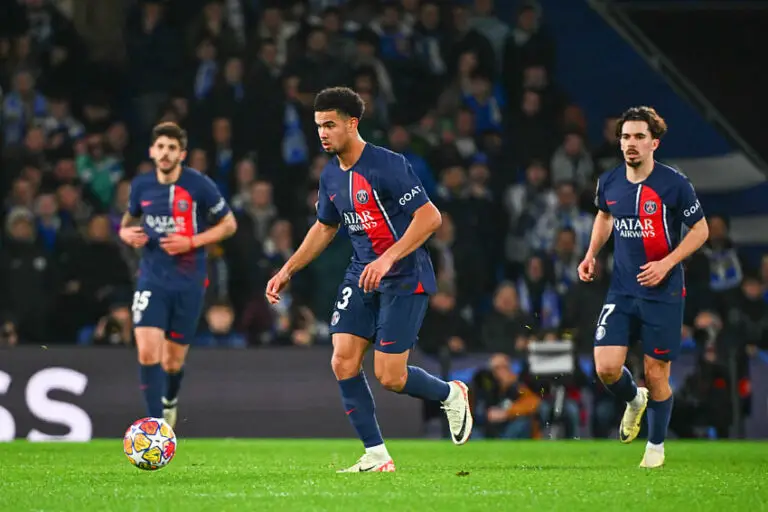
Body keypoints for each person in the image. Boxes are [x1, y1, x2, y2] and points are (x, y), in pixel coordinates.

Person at [266, 87, 472, 473]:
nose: (322, 133)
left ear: (352, 123)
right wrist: (287, 269)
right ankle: (376, 455)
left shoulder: (387, 164)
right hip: (362, 274)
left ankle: (450, 393)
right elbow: (325, 227)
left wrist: (388, 257)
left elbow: (430, 217)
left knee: (390, 376)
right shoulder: (330, 175)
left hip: (404, 276)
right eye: (318, 126)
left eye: (330, 125)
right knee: (342, 360)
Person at [578, 106, 709, 468]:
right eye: (625, 137)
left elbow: (701, 230)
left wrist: (667, 263)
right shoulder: (609, 181)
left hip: (663, 292)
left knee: (656, 373)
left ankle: (655, 447)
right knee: (606, 368)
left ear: (655, 143)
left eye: (639, 136)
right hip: (622, 290)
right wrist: (590, 254)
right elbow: (605, 215)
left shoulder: (674, 184)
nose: (631, 143)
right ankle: (634, 399)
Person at [119, 122, 237, 428]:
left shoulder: (199, 185)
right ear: (152, 151)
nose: (165, 153)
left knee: (172, 361)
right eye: (160, 147)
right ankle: (155, 426)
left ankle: (169, 400)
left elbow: (229, 224)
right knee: (148, 351)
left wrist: (192, 242)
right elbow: (127, 221)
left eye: (172, 148)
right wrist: (125, 233)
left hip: (188, 281)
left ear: (182, 154)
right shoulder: (141, 185)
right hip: (152, 277)